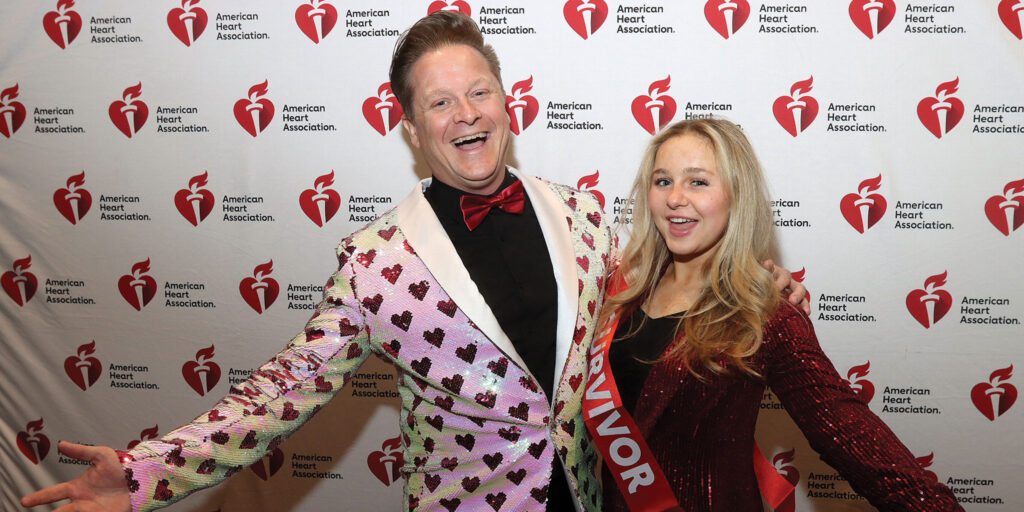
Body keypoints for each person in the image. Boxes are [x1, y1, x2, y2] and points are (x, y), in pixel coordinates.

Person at [21, 13, 806, 512]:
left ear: (507, 102)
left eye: (480, 92)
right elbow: (280, 392)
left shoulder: (586, 216)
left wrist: (754, 285)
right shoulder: (374, 262)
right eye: (440, 102)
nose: (467, 114)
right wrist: (147, 474)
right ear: (411, 127)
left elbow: (665, 288)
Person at [593, 118, 963, 511]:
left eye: (698, 182)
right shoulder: (620, 293)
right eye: (663, 181)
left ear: (738, 195)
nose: (675, 198)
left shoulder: (765, 316)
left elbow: (853, 438)